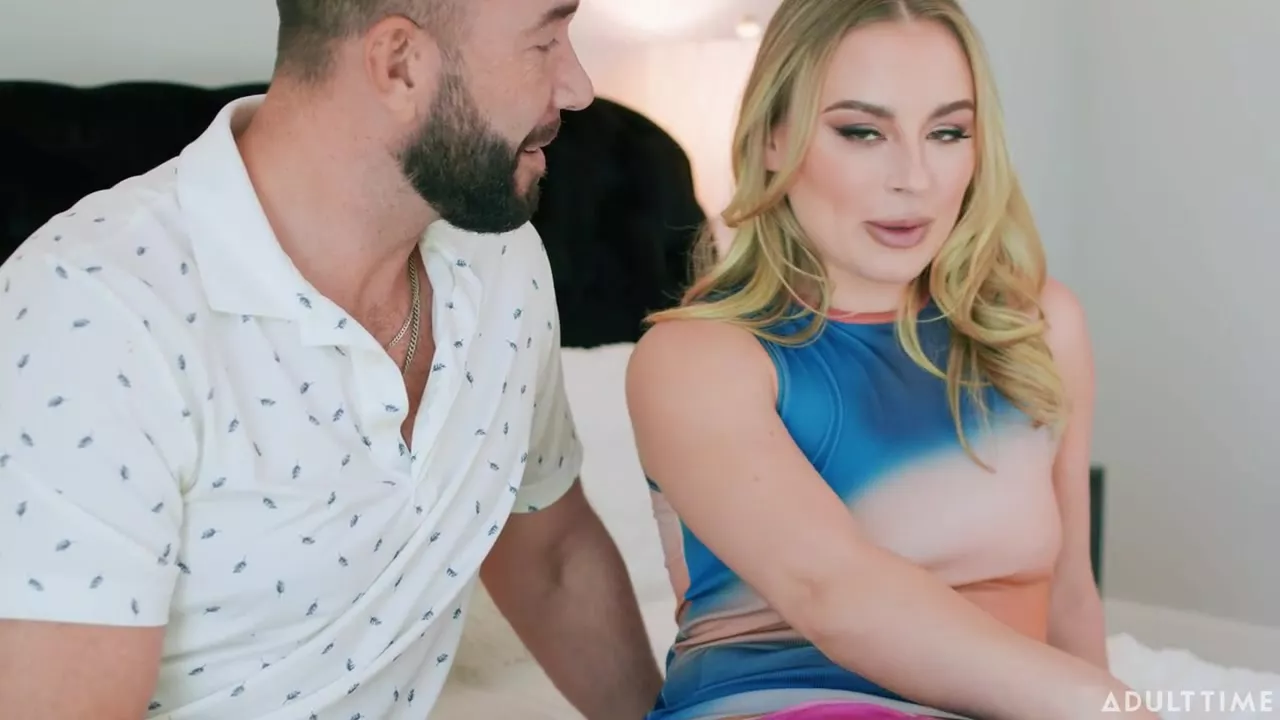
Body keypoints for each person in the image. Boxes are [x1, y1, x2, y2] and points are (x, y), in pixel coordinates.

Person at [0, 1, 663, 719]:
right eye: (545, 41)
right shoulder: (93, 313)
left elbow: (551, 552)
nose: (578, 88)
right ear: (399, 65)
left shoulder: (500, 257)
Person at [625, 1, 1155, 719]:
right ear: (773, 138)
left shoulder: (1038, 325)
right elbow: (834, 593)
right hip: (789, 700)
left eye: (947, 132)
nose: (915, 177)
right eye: (862, 132)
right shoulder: (698, 358)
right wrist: (1108, 705)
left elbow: (1069, 593)